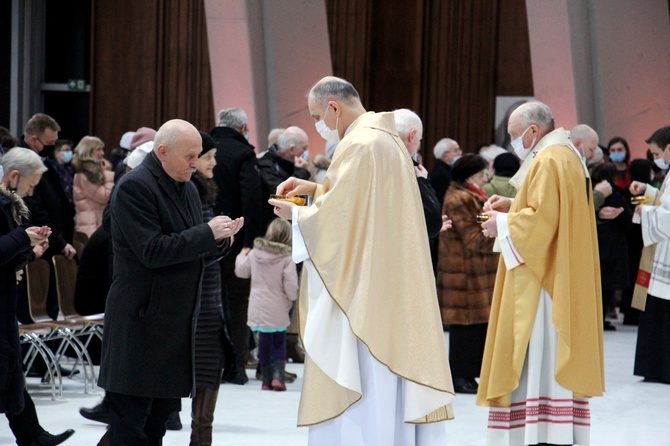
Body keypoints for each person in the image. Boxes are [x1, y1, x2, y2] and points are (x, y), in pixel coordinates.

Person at [270, 76, 454, 445]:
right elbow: (367, 210)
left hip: (367, 294)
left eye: (317, 116)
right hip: (389, 285)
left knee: (366, 390)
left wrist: (300, 216)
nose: (319, 125)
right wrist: (316, 191)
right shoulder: (384, 139)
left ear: (334, 108)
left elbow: (343, 222)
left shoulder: (359, 143)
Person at [98, 119, 243, 445]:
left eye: (198, 156)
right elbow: (152, 250)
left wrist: (220, 240)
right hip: (140, 324)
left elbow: (190, 248)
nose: (196, 163)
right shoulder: (135, 186)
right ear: (162, 151)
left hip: (173, 328)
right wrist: (207, 233)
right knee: (130, 427)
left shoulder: (188, 187)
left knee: (156, 427)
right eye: (190, 156)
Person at [478, 102, 605, 446]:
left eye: (514, 134)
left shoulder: (549, 159)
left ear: (533, 130)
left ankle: (541, 430)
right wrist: (512, 207)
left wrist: (500, 224)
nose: (512, 141)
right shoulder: (564, 154)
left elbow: (541, 224)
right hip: (559, 270)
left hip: (544, 280)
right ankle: (553, 427)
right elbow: (546, 209)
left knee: (538, 356)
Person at [1, 147, 75, 446]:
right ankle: (32, 435)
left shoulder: (8, 205)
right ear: (15, 176)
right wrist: (23, 239)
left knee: (10, 369)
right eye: (30, 186)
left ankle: (32, 434)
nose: (32, 193)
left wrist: (29, 252)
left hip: (4, 303)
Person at [188, 131, 236, 445]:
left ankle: (202, 439)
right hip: (193, 301)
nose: (215, 164)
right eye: (210, 157)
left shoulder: (202, 191)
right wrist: (215, 236)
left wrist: (222, 238)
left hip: (207, 299)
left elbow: (202, 248)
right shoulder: (188, 190)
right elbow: (186, 246)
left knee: (209, 369)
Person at [437, 154, 498, 394]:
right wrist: (499, 229)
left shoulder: (473, 195)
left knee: (476, 328)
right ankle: (460, 376)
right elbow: (472, 236)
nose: (486, 179)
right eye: (483, 174)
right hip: (463, 274)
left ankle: (468, 374)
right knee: (465, 329)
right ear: (472, 175)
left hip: (475, 273)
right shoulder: (459, 198)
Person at [210, 107, 263, 382]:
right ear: (243, 128)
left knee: (206, 301)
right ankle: (237, 366)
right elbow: (251, 200)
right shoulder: (244, 154)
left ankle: (209, 364)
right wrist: (248, 241)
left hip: (203, 236)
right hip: (235, 238)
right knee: (238, 300)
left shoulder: (204, 147)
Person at [19, 113, 76, 322]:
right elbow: (35, 208)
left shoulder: (43, 160)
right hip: (40, 241)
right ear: (34, 139)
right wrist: (58, 241)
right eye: (49, 143)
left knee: (51, 306)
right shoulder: (25, 161)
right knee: (34, 307)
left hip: (50, 239)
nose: (53, 147)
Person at [235, 218, 298, 391]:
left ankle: (266, 379)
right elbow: (291, 284)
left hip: (257, 306)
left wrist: (242, 254)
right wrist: (292, 298)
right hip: (278, 306)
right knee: (279, 341)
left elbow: (241, 272)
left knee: (263, 342)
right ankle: (278, 375)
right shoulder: (287, 258)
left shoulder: (255, 253)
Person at [630, 125, 670, 384]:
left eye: (656, 152)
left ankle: (661, 368)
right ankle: (656, 367)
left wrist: (646, 212)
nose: (655, 158)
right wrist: (649, 193)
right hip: (663, 252)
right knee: (657, 309)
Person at [392, 108, 451, 238]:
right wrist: (423, 182)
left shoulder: (376, 159)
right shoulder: (406, 168)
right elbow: (432, 223)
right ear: (412, 135)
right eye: (419, 140)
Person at [591, 163, 633, 331]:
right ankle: (600, 319)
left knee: (597, 287)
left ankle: (596, 319)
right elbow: (627, 220)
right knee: (607, 288)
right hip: (614, 248)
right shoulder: (617, 196)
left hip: (596, 247)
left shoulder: (590, 194)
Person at [257, 126, 312, 230]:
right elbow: (283, 196)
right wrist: (300, 173)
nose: (307, 152)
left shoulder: (293, 165)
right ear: (291, 149)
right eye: (304, 148)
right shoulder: (266, 166)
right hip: (275, 230)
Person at [72, 136, 115, 238]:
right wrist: (109, 175)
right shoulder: (86, 174)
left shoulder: (94, 172)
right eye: (98, 149)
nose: (103, 153)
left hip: (95, 224)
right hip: (91, 227)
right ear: (88, 151)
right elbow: (105, 196)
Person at [429, 137, 461, 206]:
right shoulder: (440, 174)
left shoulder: (449, 170)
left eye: (459, 149)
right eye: (456, 150)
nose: (460, 153)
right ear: (444, 156)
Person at [52, 139, 75, 208]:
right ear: (56, 152)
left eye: (70, 150)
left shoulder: (69, 170)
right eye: (66, 150)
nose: (70, 153)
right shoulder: (51, 169)